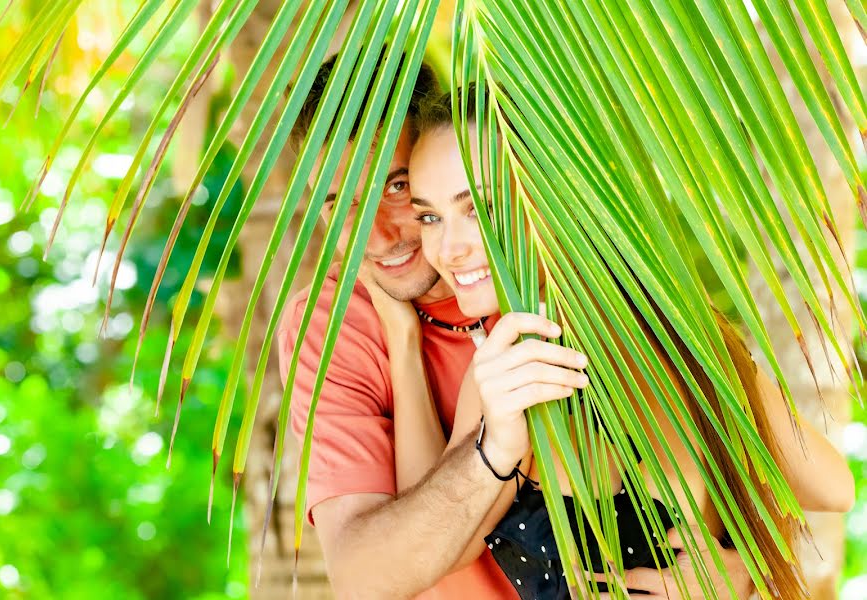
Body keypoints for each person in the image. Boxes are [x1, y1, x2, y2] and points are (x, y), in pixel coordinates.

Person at [279, 53, 760, 598]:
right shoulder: (334, 318)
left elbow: (769, 466)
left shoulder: (558, 284)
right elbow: (364, 579)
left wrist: (741, 574)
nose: (377, 236)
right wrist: (407, 343)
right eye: (339, 203)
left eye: (395, 189)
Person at [380, 87, 855, 599]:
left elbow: (831, 488)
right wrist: (402, 334)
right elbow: (424, 546)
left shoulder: (535, 359)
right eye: (430, 216)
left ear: (555, 195)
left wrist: (741, 574)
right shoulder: (542, 354)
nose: (448, 249)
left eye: (481, 208)